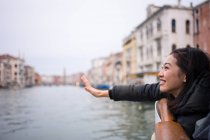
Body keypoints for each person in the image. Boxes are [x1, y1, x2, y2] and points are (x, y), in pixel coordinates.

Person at [80, 47, 210, 139]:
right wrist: (103, 93)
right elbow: (140, 91)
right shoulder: (178, 91)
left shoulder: (201, 115)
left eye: (166, 68)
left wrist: (164, 108)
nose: (160, 74)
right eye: (161, 68)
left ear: (185, 76)